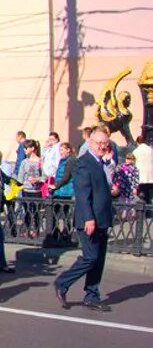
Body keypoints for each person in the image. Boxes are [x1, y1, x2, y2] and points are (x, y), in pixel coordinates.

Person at [53, 130, 114, 312]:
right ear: (91, 143)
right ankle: (62, 282)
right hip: (89, 219)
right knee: (90, 257)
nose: (102, 147)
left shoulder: (101, 163)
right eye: (99, 143)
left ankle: (92, 295)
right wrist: (88, 217)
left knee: (99, 259)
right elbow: (82, 193)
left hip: (102, 218)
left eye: (105, 143)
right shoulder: (83, 163)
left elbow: (102, 188)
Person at [133, 134, 152, 203]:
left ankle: (141, 212)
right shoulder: (150, 150)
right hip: (150, 177)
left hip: (140, 176)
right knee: (148, 195)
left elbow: (133, 163)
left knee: (141, 195)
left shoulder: (136, 151)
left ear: (137, 142)